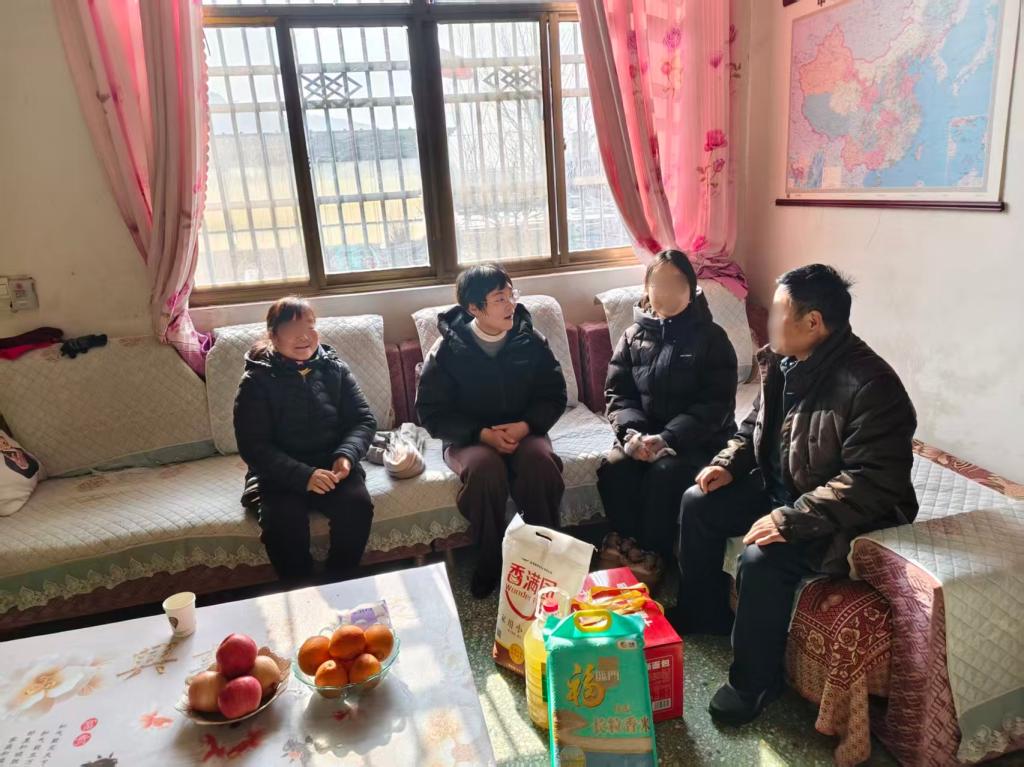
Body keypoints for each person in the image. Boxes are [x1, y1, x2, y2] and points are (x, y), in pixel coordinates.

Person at [670, 264, 918, 725]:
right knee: (697, 501)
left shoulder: (872, 385)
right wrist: (727, 463)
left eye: (777, 312)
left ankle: (755, 683)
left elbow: (871, 482)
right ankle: (703, 610)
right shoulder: (783, 363)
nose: (767, 322)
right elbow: (753, 428)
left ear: (813, 323)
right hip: (784, 487)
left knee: (761, 558)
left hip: (843, 514)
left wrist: (790, 519)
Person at [416, 264, 568, 598]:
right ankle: (490, 559)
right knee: (485, 469)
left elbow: (554, 395)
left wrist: (525, 426)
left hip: (524, 430)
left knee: (540, 463)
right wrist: (482, 435)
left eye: (511, 294)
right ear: (474, 308)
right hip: (470, 438)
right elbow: (431, 412)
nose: (511, 304)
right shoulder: (447, 350)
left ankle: (544, 560)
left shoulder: (530, 340)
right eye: (500, 298)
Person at [597, 250, 737, 561]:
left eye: (676, 283)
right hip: (643, 438)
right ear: (646, 289)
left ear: (692, 288)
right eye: (659, 284)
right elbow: (619, 395)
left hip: (698, 441)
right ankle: (627, 546)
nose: (667, 292)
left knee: (665, 473)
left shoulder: (712, 338)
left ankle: (653, 555)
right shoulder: (632, 337)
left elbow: (715, 405)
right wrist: (633, 437)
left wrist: (668, 438)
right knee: (615, 467)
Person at [234, 297, 376, 583]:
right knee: (283, 524)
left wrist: (346, 455)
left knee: (357, 507)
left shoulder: (335, 368)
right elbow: (254, 446)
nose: (304, 337)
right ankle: (301, 591)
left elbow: (363, 420)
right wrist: (304, 476)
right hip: (280, 473)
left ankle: (340, 582)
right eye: (293, 329)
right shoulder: (256, 381)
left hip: (331, 465)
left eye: (310, 327)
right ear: (273, 335)